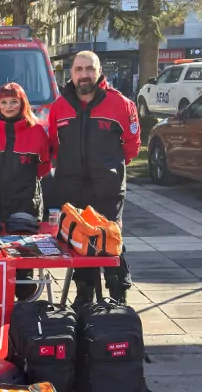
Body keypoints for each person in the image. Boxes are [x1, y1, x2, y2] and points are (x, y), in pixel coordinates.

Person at [48, 51, 141, 307]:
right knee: (80, 243)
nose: (84, 74)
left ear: (99, 71)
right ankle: (84, 295)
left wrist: (111, 170)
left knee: (111, 243)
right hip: (73, 190)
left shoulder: (121, 104)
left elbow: (131, 146)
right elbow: (55, 146)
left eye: (89, 68)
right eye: (78, 69)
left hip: (107, 190)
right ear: (71, 73)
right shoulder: (60, 106)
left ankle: (118, 295)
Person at [0, 82, 51, 300]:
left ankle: (26, 308)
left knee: (24, 261)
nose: (9, 106)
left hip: (25, 203)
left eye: (13, 101)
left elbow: (44, 166)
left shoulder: (36, 132)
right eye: (4, 102)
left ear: (22, 104)